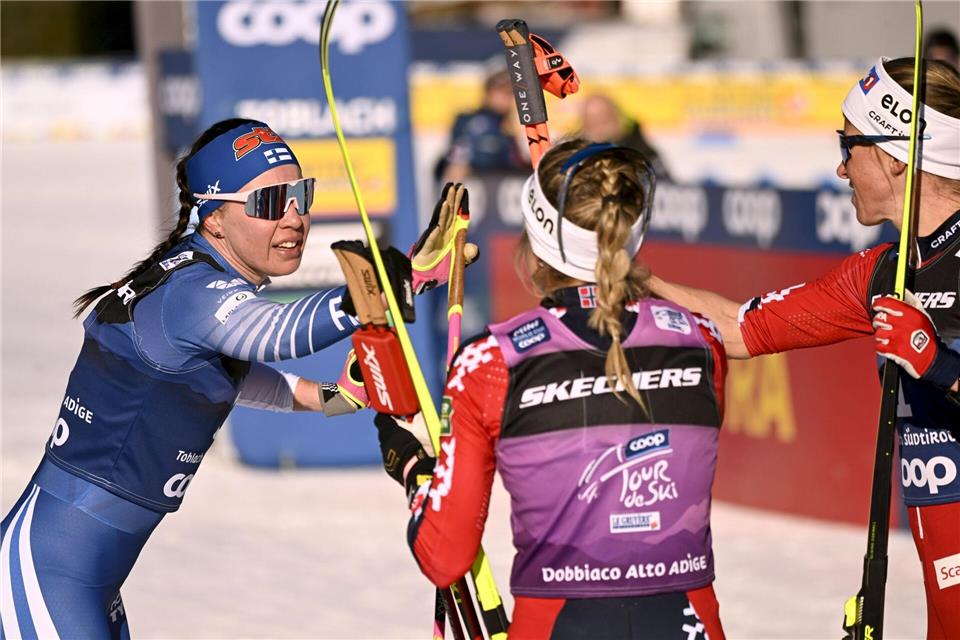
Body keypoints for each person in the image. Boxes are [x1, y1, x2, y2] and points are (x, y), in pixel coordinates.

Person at [0, 117, 430, 637]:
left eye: (301, 195)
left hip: (87, 576)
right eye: (269, 203)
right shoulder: (191, 292)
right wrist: (372, 292)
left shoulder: (197, 286)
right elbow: (276, 332)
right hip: (48, 568)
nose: (295, 218)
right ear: (215, 218)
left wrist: (337, 398)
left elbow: (230, 380)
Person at [650, 57, 960, 639]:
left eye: (848, 145)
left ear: (893, 155)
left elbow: (935, 364)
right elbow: (738, 328)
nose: (841, 169)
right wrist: (624, 276)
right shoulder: (884, 273)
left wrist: (936, 362)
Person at [375, 140, 728, 639]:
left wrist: (416, 471)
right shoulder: (703, 340)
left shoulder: (490, 363)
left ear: (534, 245)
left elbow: (444, 555)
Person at [435, 69, 527, 183]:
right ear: (489, 93)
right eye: (502, 92)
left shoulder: (511, 125)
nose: (507, 98)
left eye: (511, 93)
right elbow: (458, 157)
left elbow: (517, 163)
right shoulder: (473, 121)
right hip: (478, 191)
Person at [579, 93, 671, 180]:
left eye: (604, 117)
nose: (599, 125)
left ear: (617, 118)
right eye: (592, 121)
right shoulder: (577, 157)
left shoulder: (641, 151)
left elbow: (664, 185)